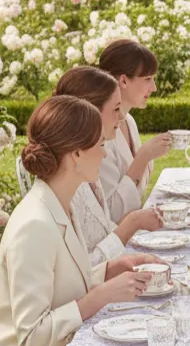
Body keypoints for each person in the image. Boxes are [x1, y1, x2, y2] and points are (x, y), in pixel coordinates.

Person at [0, 95, 161, 346]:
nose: (105, 152)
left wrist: (109, 270)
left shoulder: (59, 204)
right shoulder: (35, 224)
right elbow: (31, 336)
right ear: (75, 155)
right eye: (99, 145)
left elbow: (60, 280)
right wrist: (99, 296)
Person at [54, 65, 163, 263]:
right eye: (115, 109)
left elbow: (105, 232)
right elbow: (81, 272)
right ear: (89, 112)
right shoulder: (65, 188)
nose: (121, 118)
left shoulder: (86, 173)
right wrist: (133, 221)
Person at [97, 39, 173, 223]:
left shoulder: (129, 122)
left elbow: (137, 199)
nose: (153, 87)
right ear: (123, 80)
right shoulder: (101, 132)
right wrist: (143, 157)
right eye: (147, 79)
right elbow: (111, 214)